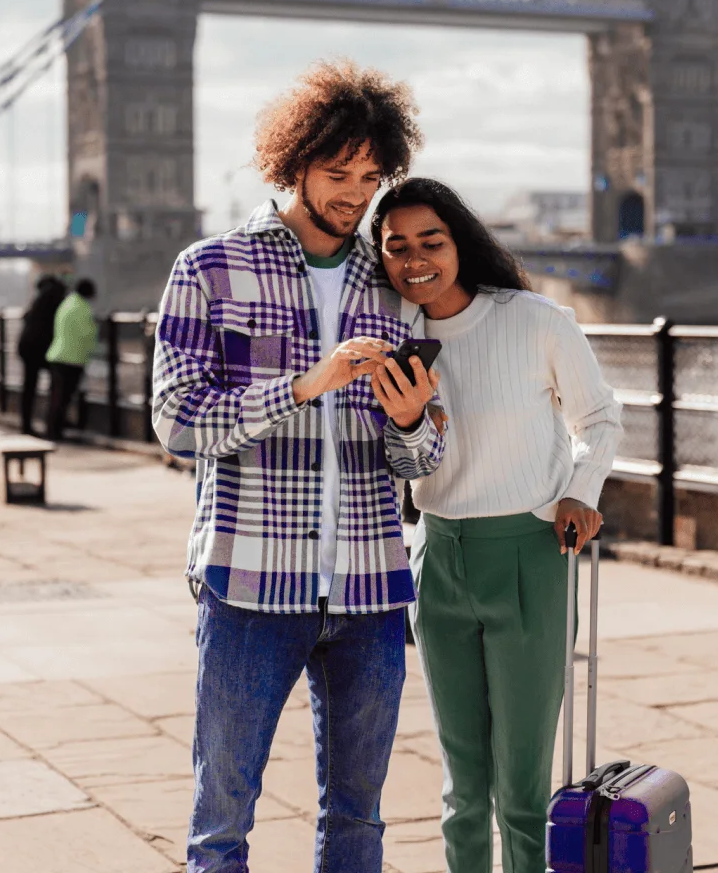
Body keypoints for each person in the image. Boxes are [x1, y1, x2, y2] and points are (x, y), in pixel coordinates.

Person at [152, 61, 446, 873]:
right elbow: (177, 422)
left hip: (372, 590)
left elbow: (422, 458)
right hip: (249, 585)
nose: (356, 194)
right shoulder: (209, 268)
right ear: (293, 163)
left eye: (371, 176)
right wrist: (304, 386)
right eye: (338, 173)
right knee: (221, 822)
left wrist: (409, 420)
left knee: (360, 819)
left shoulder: (394, 287)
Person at [370, 178, 623, 873]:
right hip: (436, 556)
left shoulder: (535, 320)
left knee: (522, 784)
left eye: (431, 241)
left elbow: (599, 418)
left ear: (460, 242)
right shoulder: (392, 338)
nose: (415, 260)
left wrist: (580, 491)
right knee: (461, 785)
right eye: (397, 247)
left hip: (528, 556)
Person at [45, 278, 98, 442]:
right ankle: (55, 432)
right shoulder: (82, 308)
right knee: (63, 397)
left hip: (57, 355)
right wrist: (96, 329)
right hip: (71, 359)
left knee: (56, 396)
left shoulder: (67, 303)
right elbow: (87, 333)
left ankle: (52, 429)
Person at [17, 274, 67, 435]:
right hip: (41, 349)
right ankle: (54, 422)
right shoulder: (56, 298)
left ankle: (26, 425)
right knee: (58, 383)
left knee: (29, 387)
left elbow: (26, 317)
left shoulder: (38, 300)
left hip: (27, 347)